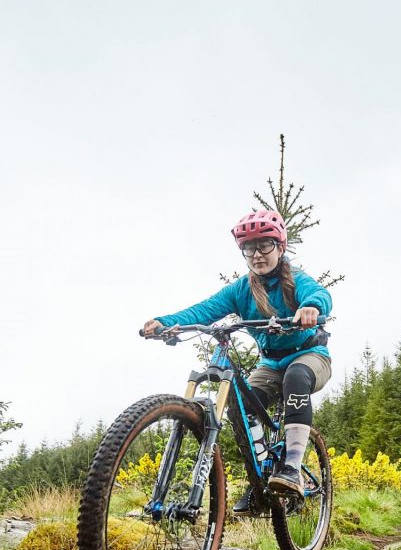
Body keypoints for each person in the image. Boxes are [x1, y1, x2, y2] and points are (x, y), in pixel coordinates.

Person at [142, 209, 332, 505]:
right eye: (249, 248)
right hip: (270, 363)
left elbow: (319, 294)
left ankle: (292, 468)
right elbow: (203, 310)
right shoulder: (241, 290)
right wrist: (164, 321)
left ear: (280, 247)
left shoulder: (295, 279)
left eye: (265, 245)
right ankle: (260, 482)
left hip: (309, 355)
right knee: (242, 407)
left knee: (296, 377)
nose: (257, 254)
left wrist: (310, 308)